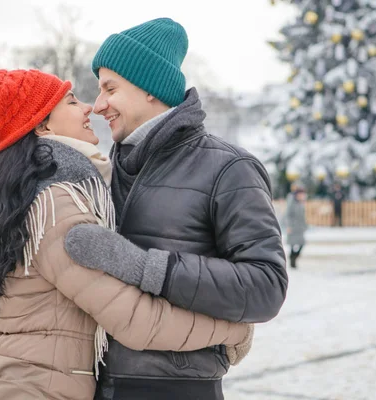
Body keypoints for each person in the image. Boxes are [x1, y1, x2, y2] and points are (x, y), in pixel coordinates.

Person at [0, 69, 253, 400]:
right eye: (72, 101)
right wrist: (232, 329)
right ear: (42, 125)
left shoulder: (32, 194)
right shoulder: (56, 203)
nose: (89, 107)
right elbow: (135, 320)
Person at [64, 17, 287, 400]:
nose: (98, 104)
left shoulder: (228, 169)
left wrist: (151, 269)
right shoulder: (101, 170)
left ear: (149, 89)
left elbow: (266, 286)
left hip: (179, 388)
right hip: (94, 385)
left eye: (109, 88)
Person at [285, 183, 307, 269]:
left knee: (301, 244)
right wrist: (289, 226)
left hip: (300, 227)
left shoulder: (301, 203)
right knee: (292, 244)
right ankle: (292, 261)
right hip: (293, 227)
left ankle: (293, 257)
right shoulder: (292, 202)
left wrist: (305, 226)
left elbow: (303, 216)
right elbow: (288, 214)